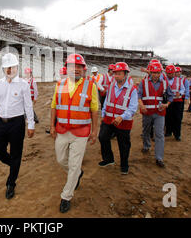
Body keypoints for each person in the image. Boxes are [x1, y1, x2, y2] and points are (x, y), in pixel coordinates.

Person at [50, 53, 98, 213]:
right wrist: (51, 125)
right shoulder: (60, 84)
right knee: (60, 159)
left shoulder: (90, 85)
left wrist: (95, 131)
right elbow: (54, 106)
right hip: (62, 130)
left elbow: (94, 109)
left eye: (79, 67)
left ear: (83, 69)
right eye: (72, 66)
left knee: (74, 164)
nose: (76, 69)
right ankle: (77, 173)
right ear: (67, 69)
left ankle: (66, 196)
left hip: (81, 133)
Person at [0, 53, 35, 200]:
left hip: (17, 123)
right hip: (1, 123)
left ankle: (11, 183)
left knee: (16, 153)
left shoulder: (23, 84)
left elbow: (28, 105)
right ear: (3, 69)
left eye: (11, 67)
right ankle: (14, 165)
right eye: (6, 68)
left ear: (16, 67)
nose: (9, 70)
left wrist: (30, 124)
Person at [98, 62, 138, 175]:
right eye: (115, 73)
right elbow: (106, 101)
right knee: (102, 137)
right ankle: (108, 159)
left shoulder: (132, 90)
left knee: (123, 144)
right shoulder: (111, 86)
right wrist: (104, 113)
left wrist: (122, 116)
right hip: (108, 119)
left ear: (125, 74)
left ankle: (124, 164)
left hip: (123, 122)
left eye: (119, 74)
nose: (116, 76)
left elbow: (133, 108)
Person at [138, 62, 174, 168]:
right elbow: (139, 95)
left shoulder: (165, 83)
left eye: (158, 73)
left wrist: (166, 104)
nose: (155, 75)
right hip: (147, 112)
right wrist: (141, 105)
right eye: (153, 72)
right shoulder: (143, 82)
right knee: (146, 130)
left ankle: (159, 158)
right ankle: (146, 145)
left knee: (159, 134)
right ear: (150, 72)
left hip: (159, 113)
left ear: (161, 73)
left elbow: (171, 96)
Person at [164, 65, 185, 141]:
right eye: (168, 74)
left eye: (172, 73)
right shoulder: (164, 80)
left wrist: (179, 93)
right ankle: (168, 132)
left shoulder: (179, 80)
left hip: (177, 102)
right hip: (168, 102)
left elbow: (183, 89)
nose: (170, 75)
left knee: (177, 118)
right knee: (168, 117)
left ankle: (177, 134)